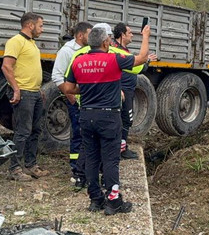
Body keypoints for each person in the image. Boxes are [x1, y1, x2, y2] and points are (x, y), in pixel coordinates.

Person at [61, 23, 150, 215]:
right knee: (110, 160)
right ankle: (114, 201)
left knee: (91, 158)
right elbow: (142, 58)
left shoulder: (78, 61)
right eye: (108, 40)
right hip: (109, 116)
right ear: (104, 42)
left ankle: (95, 199)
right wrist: (145, 36)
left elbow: (68, 88)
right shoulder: (113, 59)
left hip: (86, 114)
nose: (110, 42)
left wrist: (86, 89)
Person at [2, 12, 48, 181]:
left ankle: (30, 165)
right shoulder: (16, 41)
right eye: (40, 25)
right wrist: (16, 89)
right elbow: (6, 67)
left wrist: (38, 88)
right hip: (24, 93)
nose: (42, 29)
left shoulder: (32, 43)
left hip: (34, 92)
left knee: (35, 130)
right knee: (22, 131)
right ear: (30, 25)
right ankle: (14, 169)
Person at [51, 21, 93, 189]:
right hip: (77, 102)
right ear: (80, 35)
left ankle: (87, 167)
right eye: (90, 34)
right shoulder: (67, 51)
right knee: (78, 135)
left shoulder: (89, 50)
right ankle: (76, 170)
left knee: (88, 137)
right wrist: (70, 96)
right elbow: (57, 76)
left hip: (89, 103)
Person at [111, 23, 157, 160]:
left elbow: (138, 67)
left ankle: (121, 148)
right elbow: (137, 68)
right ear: (122, 35)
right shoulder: (118, 52)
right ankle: (121, 151)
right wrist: (146, 59)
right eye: (129, 32)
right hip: (122, 92)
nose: (132, 35)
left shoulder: (124, 51)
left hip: (127, 91)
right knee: (123, 120)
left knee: (126, 121)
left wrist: (146, 61)